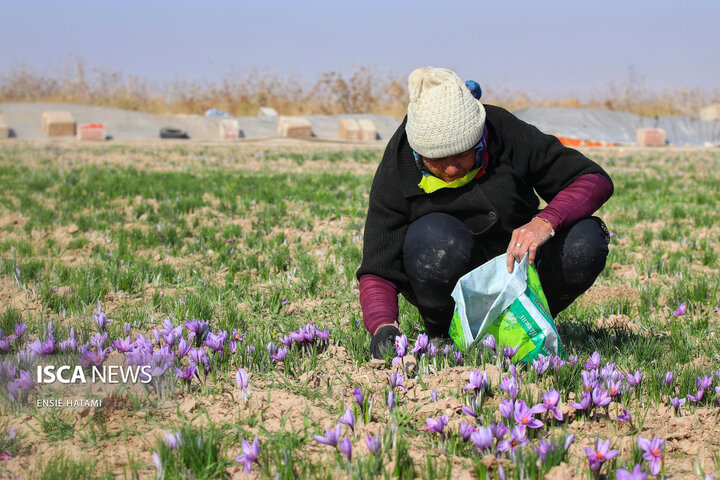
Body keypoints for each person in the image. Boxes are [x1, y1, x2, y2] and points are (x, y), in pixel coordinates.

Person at [356, 67, 613, 359]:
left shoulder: (503, 131)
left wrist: (544, 221)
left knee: (585, 240)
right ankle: (446, 335)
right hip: (449, 278)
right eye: (438, 161)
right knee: (434, 238)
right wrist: (383, 327)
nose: (452, 168)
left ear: (481, 137)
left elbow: (592, 179)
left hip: (517, 269)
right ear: (418, 153)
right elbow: (378, 267)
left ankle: (528, 324)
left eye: (464, 153)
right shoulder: (398, 166)